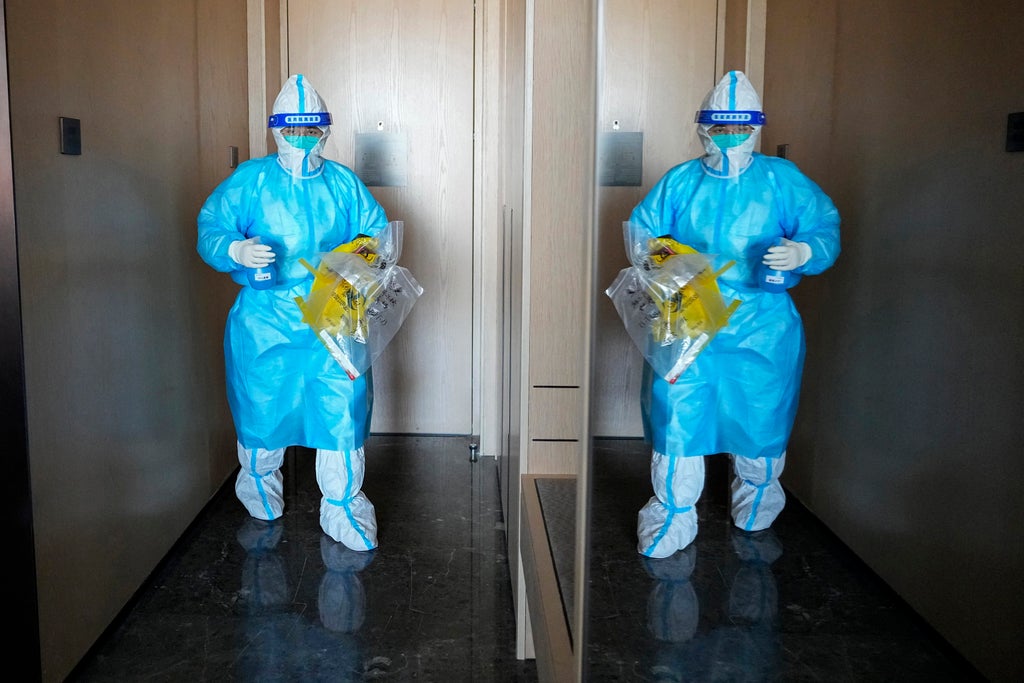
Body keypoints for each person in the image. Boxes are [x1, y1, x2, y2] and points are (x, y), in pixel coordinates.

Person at [628, 70, 840, 558]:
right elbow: (643, 234)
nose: (729, 137)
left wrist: (804, 252)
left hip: (762, 326)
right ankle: (673, 514)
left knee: (759, 416)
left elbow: (823, 226)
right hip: (690, 318)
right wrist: (676, 269)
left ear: (756, 127)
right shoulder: (680, 181)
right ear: (703, 127)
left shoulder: (782, 180)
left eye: (740, 127)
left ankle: (758, 498)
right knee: (678, 416)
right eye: (720, 128)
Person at [197, 74, 388, 551]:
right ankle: (259, 485)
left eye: (311, 130)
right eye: (292, 130)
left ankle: (343, 506)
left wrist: (355, 264)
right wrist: (235, 250)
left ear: (325, 130)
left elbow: (376, 235)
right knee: (263, 406)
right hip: (266, 319)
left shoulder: (342, 183)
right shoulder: (251, 180)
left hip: (332, 314)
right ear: (276, 130)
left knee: (341, 410)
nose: (302, 139)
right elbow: (212, 226)